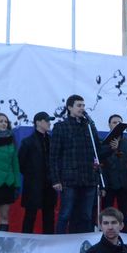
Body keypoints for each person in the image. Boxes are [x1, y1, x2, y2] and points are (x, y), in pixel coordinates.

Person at [49, 95, 105, 233]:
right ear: (69, 107)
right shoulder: (61, 127)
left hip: (89, 178)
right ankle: (60, 242)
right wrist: (55, 179)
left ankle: (84, 242)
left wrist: (112, 145)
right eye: (79, 105)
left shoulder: (89, 126)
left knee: (86, 215)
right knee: (66, 213)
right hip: (70, 179)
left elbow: (98, 150)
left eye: (83, 105)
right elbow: (54, 156)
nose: (82, 108)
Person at [18, 112, 57, 234]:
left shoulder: (52, 141)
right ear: (38, 122)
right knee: (30, 215)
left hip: (50, 185)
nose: (49, 123)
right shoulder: (27, 142)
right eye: (47, 121)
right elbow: (21, 163)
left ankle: (49, 241)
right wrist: (32, 176)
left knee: (49, 216)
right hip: (33, 185)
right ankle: (26, 241)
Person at [101, 114, 127, 234]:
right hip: (108, 185)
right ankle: (106, 239)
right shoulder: (102, 142)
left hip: (124, 184)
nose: (117, 124)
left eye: (119, 122)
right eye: (114, 122)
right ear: (109, 125)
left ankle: (125, 239)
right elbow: (101, 164)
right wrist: (102, 186)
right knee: (107, 215)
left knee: (124, 216)